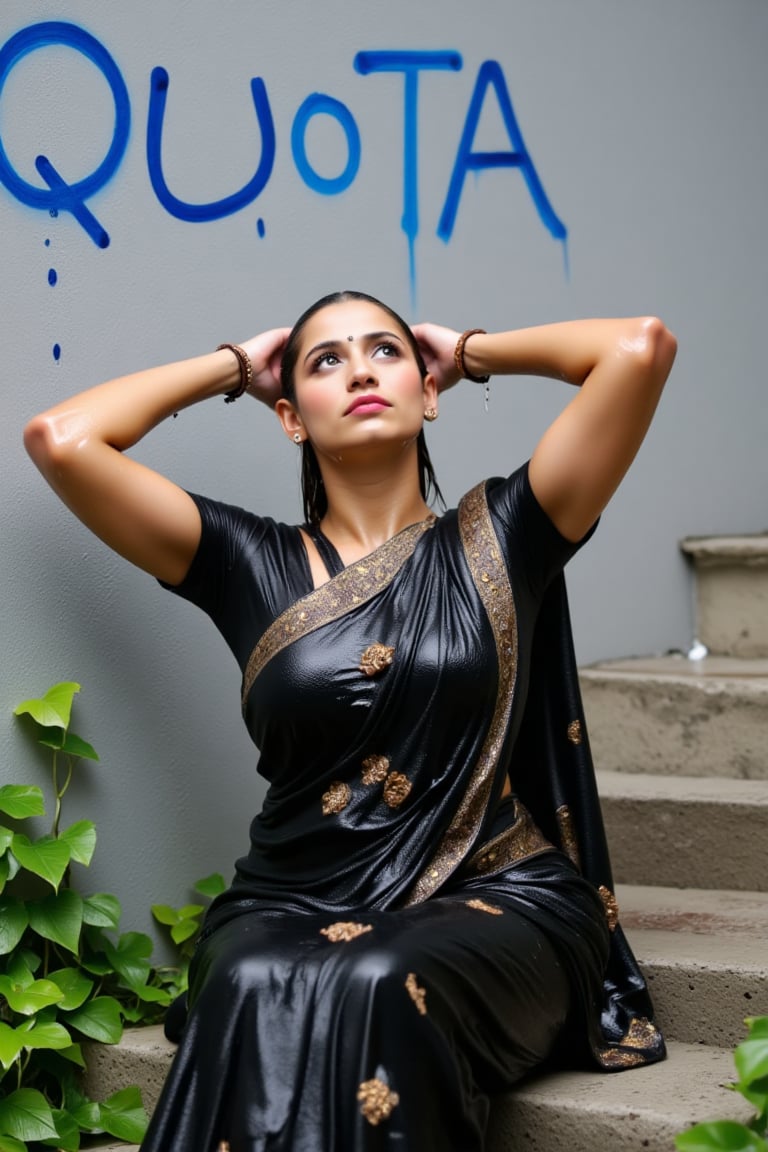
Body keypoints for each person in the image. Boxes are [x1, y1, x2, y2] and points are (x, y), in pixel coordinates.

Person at [24, 290, 677, 1151]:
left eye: (387, 351)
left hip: (493, 891)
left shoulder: (509, 532)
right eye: (326, 359)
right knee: (256, 974)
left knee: (374, 971)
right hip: (288, 899)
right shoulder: (240, 562)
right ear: (290, 416)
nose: (361, 368)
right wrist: (235, 365)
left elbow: (639, 347)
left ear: (428, 390)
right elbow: (62, 440)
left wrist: (472, 349)